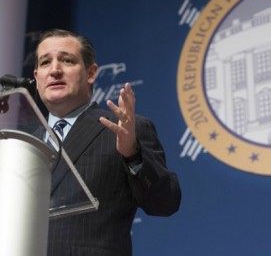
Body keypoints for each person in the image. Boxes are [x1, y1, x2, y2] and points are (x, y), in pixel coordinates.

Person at [33, 29, 181, 256]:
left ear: (91, 73)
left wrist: (132, 154)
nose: (54, 70)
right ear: (36, 77)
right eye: (45, 63)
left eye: (67, 60)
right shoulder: (21, 144)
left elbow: (165, 202)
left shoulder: (124, 129)